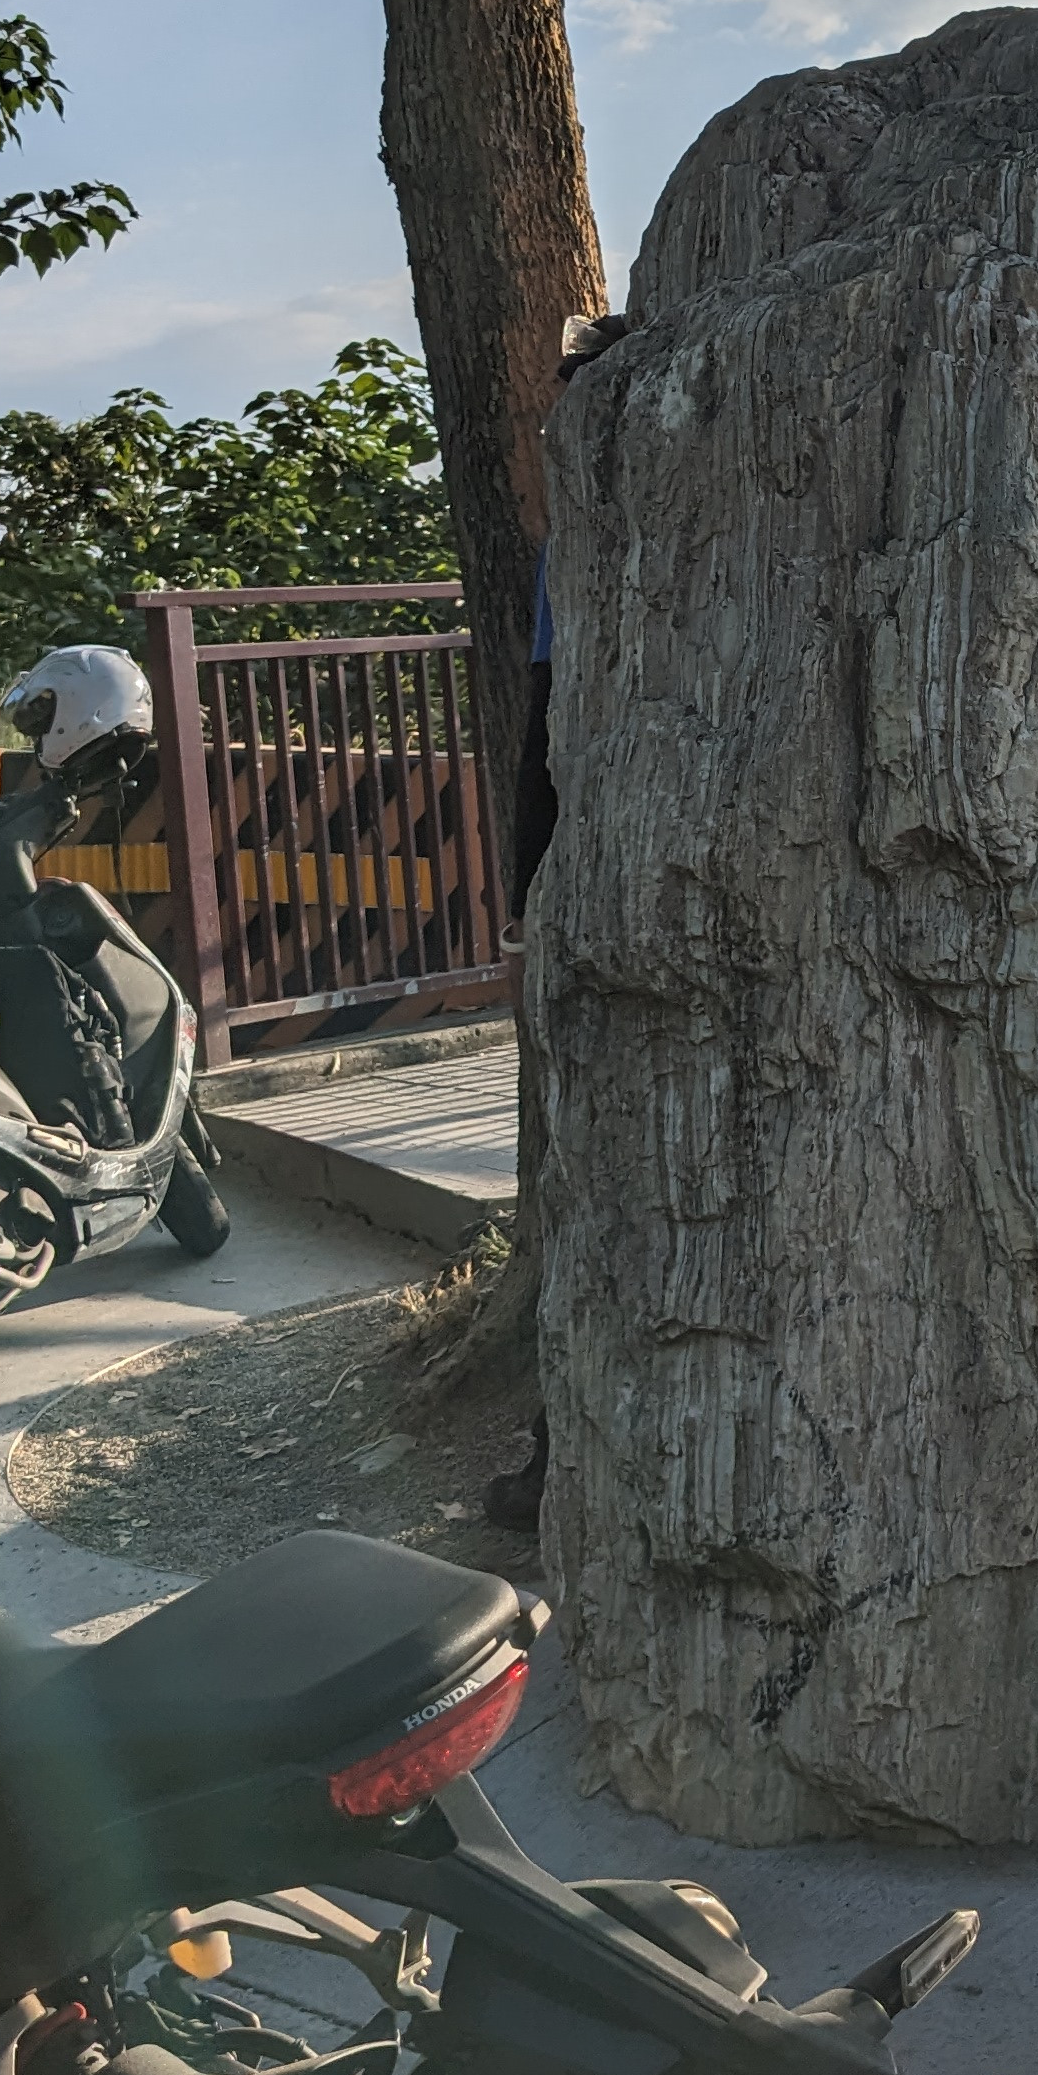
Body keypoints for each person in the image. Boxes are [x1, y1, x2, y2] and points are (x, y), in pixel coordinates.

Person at [485, 309, 627, 1536]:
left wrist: (525, 893)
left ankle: (560, 1453)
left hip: (600, 883)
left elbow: (542, 728)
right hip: (612, 889)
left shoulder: (581, 543)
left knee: (601, 1177)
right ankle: (559, 1449)